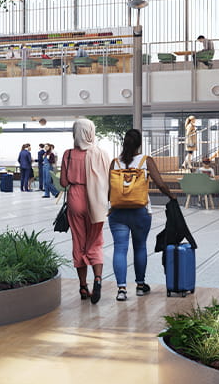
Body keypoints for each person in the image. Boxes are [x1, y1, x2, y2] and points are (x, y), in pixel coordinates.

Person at [107, 129, 177, 302]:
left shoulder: (115, 162)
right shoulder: (146, 161)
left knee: (120, 249)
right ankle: (140, 285)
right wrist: (172, 196)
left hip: (117, 213)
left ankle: (121, 289)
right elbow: (160, 184)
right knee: (140, 247)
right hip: (140, 212)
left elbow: (110, 190)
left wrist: (110, 207)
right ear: (139, 144)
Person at [61, 119, 112, 303]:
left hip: (75, 199)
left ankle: (83, 287)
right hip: (96, 203)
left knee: (79, 243)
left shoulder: (68, 154)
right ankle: (98, 278)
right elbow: (109, 180)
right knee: (96, 242)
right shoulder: (101, 154)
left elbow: (63, 183)